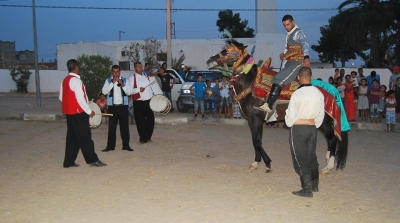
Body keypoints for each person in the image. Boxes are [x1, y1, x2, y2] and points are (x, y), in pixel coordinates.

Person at [285, 67, 324, 198]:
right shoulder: (319, 93)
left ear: (299, 78)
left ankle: (307, 189)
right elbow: (321, 113)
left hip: (299, 128)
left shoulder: (297, 94)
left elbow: (290, 115)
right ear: (311, 77)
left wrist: (290, 123)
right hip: (312, 127)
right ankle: (315, 185)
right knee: (311, 155)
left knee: (300, 158)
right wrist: (314, 124)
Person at [59, 59, 106, 168]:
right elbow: (80, 99)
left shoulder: (64, 80)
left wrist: (70, 104)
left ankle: (68, 162)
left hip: (70, 114)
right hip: (78, 113)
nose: (79, 68)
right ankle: (93, 160)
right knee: (85, 137)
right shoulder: (76, 81)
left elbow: (61, 97)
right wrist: (89, 111)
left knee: (72, 138)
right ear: (76, 67)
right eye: (78, 66)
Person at [258, 14, 310, 112]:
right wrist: (284, 55)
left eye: (288, 24)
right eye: (284, 25)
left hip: (297, 63)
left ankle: (269, 105)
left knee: (279, 78)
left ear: (293, 23)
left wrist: (306, 57)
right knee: (276, 77)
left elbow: (305, 44)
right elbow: (291, 50)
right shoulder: (289, 34)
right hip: (289, 63)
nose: (286, 27)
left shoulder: (298, 33)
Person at [101, 65, 134, 152]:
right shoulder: (108, 81)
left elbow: (130, 92)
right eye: (114, 72)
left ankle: (126, 145)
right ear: (111, 72)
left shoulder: (125, 80)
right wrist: (112, 83)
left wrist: (122, 84)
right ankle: (110, 146)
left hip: (123, 106)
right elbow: (104, 92)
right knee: (111, 127)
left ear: (120, 72)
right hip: (112, 107)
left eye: (117, 72)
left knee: (124, 127)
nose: (116, 74)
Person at [129, 62, 155, 144]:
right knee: (140, 121)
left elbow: (150, 88)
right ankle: (143, 138)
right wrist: (138, 90)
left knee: (151, 120)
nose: (140, 68)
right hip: (139, 102)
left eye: (141, 66)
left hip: (148, 101)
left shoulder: (146, 77)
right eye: (138, 67)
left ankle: (148, 136)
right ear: (135, 69)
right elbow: (129, 91)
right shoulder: (132, 78)